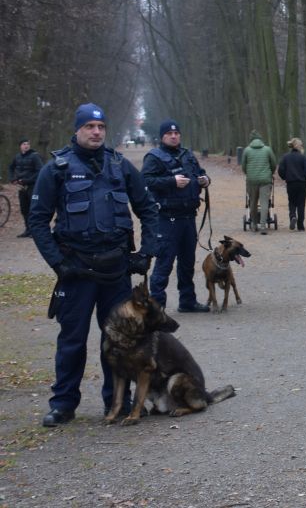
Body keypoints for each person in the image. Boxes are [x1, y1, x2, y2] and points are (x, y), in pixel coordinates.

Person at [28, 103, 160, 427]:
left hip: (115, 272)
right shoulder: (56, 168)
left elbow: (148, 209)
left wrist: (147, 252)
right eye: (89, 127)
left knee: (117, 341)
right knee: (72, 341)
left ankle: (116, 401)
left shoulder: (120, 166)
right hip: (76, 271)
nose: (96, 132)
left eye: (101, 127)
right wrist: (58, 264)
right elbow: (38, 219)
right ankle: (63, 404)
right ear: (77, 130)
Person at [142, 119, 212, 313]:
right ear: (162, 136)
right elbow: (145, 181)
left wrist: (205, 180)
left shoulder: (188, 155)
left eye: (176, 133)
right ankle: (157, 307)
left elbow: (201, 173)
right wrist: (171, 181)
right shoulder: (154, 157)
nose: (173, 136)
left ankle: (187, 301)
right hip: (167, 219)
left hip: (188, 217)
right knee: (164, 264)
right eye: (169, 134)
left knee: (187, 263)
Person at [240, 130, 276, 235]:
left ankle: (254, 225)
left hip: (251, 181)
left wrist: (249, 174)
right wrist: (270, 173)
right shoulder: (267, 150)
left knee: (252, 202)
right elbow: (273, 164)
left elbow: (243, 166)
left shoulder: (247, 150)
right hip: (265, 180)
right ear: (261, 139)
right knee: (265, 203)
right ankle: (263, 226)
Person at [7, 138, 44, 237]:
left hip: (33, 186)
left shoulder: (35, 156)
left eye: (28, 144)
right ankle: (28, 230)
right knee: (24, 209)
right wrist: (12, 178)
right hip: (21, 187)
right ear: (20, 146)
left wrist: (27, 180)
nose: (26, 145)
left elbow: (40, 171)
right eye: (24, 144)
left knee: (34, 209)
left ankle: (35, 231)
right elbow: (11, 167)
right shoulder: (17, 157)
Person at [277, 137, 306, 231]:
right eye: (301, 145)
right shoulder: (303, 157)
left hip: (291, 183)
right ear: (297, 146)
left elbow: (280, 170)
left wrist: (285, 177)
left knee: (292, 202)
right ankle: (300, 225)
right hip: (301, 183)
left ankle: (293, 216)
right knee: (301, 204)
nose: (302, 146)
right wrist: (304, 176)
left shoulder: (285, 157)